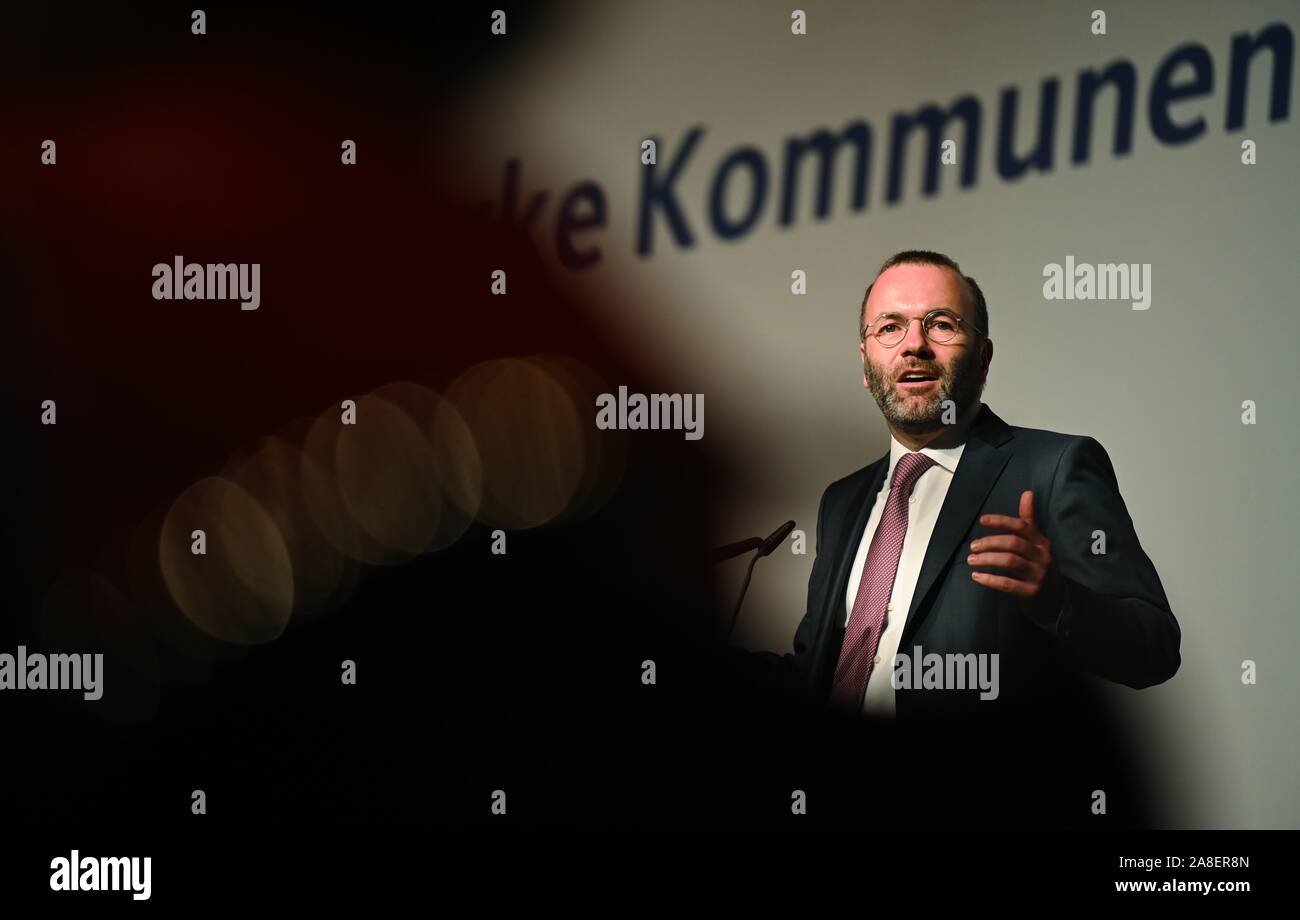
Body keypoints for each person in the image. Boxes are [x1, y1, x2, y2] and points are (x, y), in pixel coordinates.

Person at [753, 249, 1180, 719]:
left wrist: (1058, 602)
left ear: (983, 357)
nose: (913, 344)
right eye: (890, 327)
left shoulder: (1054, 468)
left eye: (940, 324)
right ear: (865, 363)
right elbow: (813, 677)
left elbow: (1154, 646)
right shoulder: (842, 501)